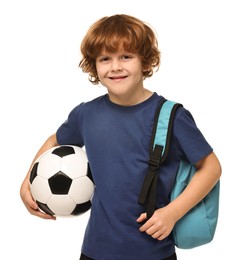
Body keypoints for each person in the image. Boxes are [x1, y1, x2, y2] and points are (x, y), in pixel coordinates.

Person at [20, 14, 222, 260]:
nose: (115, 67)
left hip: (154, 253)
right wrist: (27, 182)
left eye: (126, 56)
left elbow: (211, 167)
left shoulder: (172, 117)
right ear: (94, 65)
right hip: (95, 251)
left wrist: (172, 213)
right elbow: (55, 141)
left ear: (145, 61)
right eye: (105, 59)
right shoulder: (86, 114)